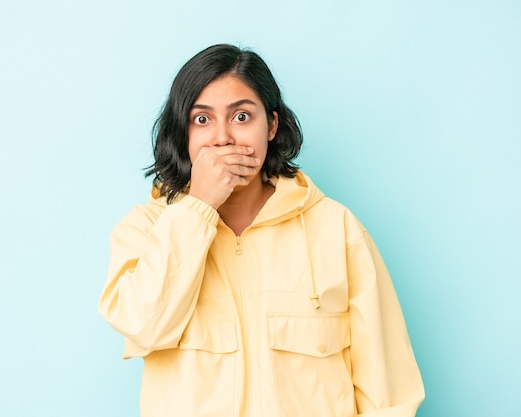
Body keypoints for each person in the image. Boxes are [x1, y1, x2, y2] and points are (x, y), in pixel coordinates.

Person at [98, 44, 424, 417]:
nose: (222, 138)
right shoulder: (145, 229)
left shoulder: (336, 229)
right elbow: (142, 327)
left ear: (270, 125)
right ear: (183, 133)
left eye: (241, 116)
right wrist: (199, 206)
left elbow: (390, 391)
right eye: (201, 120)